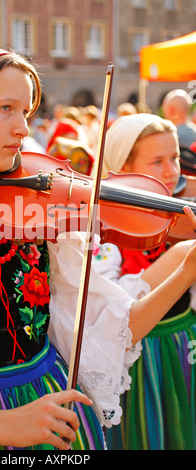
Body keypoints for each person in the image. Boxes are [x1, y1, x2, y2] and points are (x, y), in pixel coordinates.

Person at [0, 44, 196, 451]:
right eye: (6, 108)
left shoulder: (40, 214)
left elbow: (110, 331)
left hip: (56, 423)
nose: (22, 128)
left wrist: (187, 270)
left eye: (26, 112)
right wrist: (2, 426)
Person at [99, 112, 196, 450]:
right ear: (122, 168)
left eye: (174, 159)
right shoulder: (104, 232)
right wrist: (180, 256)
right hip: (141, 363)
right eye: (157, 161)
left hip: (184, 348)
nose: (172, 171)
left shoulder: (179, 216)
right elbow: (114, 315)